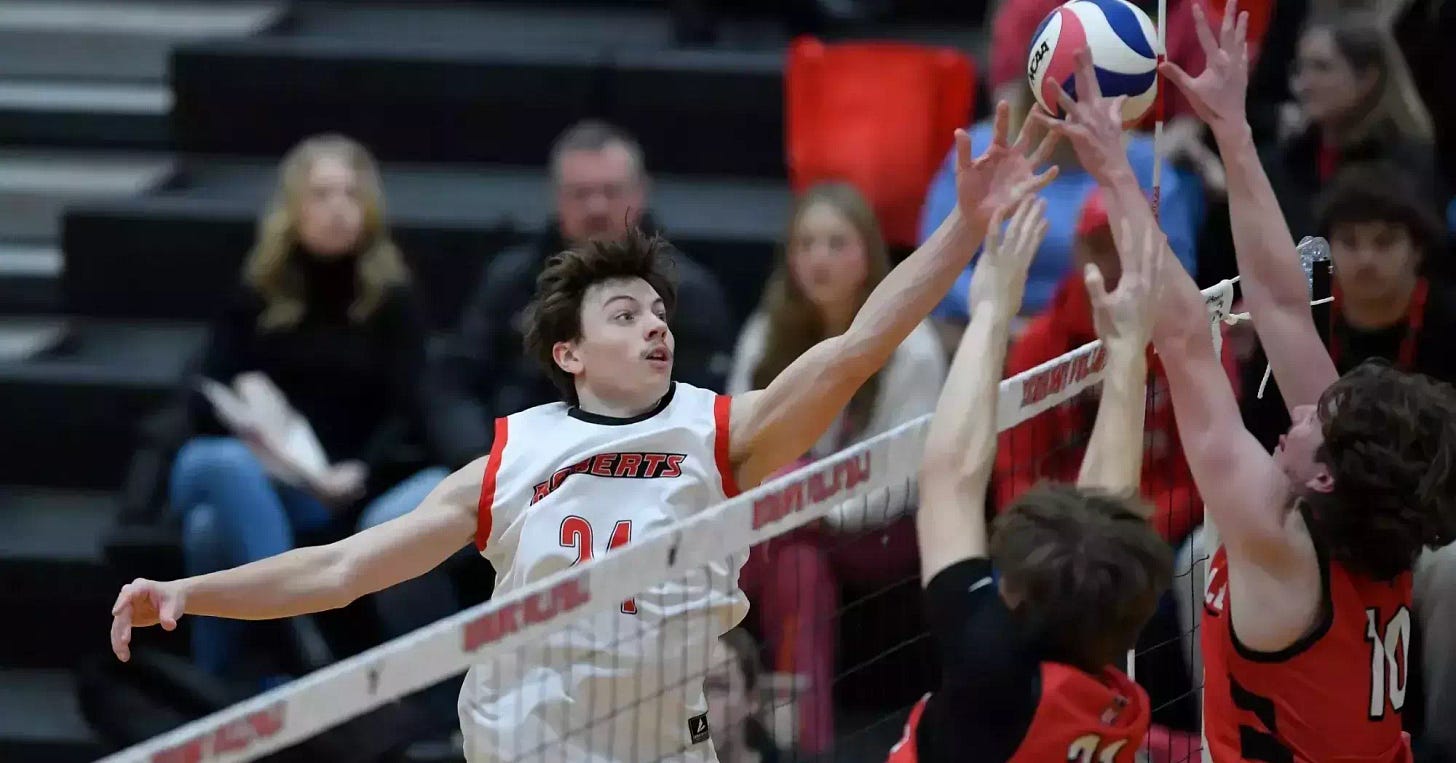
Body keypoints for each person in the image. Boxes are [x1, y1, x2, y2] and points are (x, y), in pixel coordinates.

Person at [108, 105, 1059, 763]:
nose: (655, 325)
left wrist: (963, 229)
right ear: (568, 351)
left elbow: (856, 348)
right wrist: (192, 591)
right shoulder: (509, 458)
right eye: (624, 314)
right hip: (527, 741)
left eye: (659, 311)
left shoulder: (718, 433)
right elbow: (338, 569)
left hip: (663, 736)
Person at [1057, 4, 1456, 759]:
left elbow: (1182, 338)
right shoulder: (1369, 514)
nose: (1297, 416)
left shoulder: (1273, 537)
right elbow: (1281, 304)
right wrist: (1235, 133)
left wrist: (1111, 165)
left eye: (1317, 424)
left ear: (1327, 476)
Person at [889, 190, 1173, 763]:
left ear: (1011, 593)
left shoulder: (989, 663)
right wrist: (1125, 355)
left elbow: (950, 478)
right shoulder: (1103, 670)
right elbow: (1107, 516)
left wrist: (991, 306)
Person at [167, 134, 448, 684]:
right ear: (293, 207)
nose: (337, 208)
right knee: (216, 465)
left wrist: (359, 469)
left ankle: (225, 689)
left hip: (335, 486)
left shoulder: (391, 300)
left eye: (350, 194)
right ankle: (297, 635)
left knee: (208, 532)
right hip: (263, 475)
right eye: (321, 194)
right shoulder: (258, 291)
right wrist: (251, 426)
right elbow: (206, 391)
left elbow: (410, 405)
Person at [728, 181, 947, 754]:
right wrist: (786, 501)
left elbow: (900, 484)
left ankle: (777, 735)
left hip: (885, 526)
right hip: (788, 527)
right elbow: (735, 445)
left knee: (779, 539)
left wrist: (800, 498)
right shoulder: (765, 331)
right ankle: (804, 745)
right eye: (805, 244)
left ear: (868, 254)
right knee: (796, 566)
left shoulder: (912, 346)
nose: (818, 258)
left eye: (835, 243)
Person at [429, 119, 736, 471]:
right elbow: (452, 383)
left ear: (641, 193)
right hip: (507, 468)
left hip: (640, 473)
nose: (597, 208)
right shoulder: (511, 280)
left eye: (611, 191)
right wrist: (477, 461)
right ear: (557, 198)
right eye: (580, 193)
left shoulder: (688, 292)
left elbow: (697, 410)